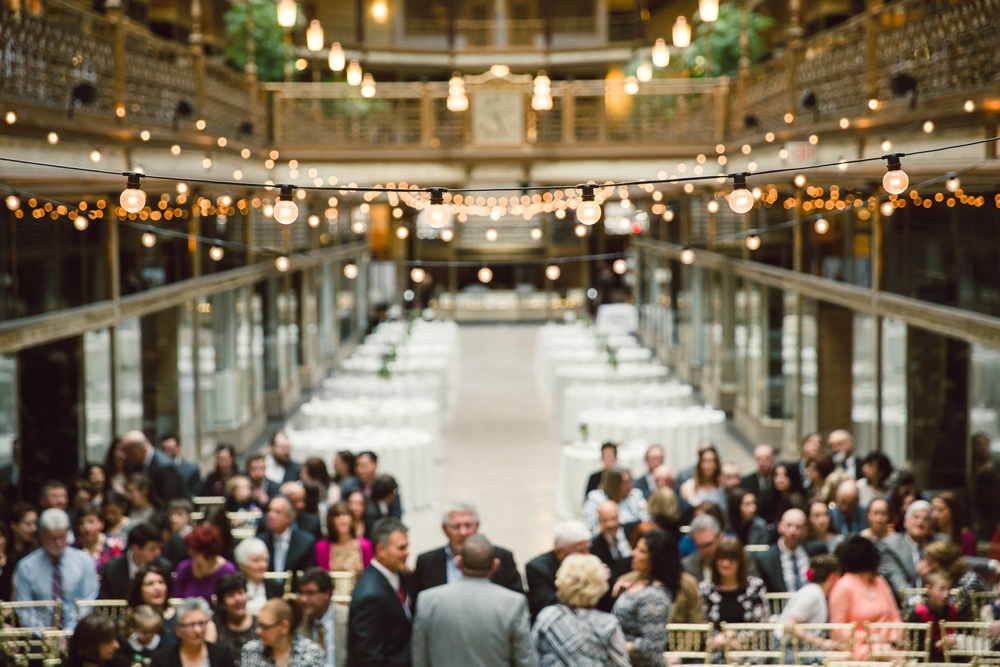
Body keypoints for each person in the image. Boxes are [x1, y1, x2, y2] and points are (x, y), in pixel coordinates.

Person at [412, 535, 536, 667]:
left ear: (459, 562)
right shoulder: (513, 603)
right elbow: (525, 660)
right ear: (495, 565)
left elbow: (419, 657)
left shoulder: (427, 601)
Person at [410, 501, 522, 608]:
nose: (463, 532)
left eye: (468, 525)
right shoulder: (426, 562)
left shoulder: (502, 557)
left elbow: (516, 601)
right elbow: (418, 606)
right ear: (444, 529)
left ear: (477, 526)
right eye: (456, 527)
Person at [533, 553, 630, 667]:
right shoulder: (606, 624)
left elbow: (531, 657)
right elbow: (621, 664)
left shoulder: (547, 616)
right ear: (599, 583)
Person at [13, 508, 98, 630]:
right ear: (41, 536)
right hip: (39, 636)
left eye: (62, 537)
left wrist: (69, 631)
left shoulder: (84, 562)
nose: (58, 543)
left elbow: (88, 601)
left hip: (78, 632)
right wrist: (45, 634)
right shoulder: (26, 567)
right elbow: (24, 608)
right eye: (53, 538)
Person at [347, 517, 412, 667]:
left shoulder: (396, 575)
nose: (407, 552)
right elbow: (369, 657)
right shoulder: (370, 596)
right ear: (381, 550)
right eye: (401, 548)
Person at [828, 535, 902, 660]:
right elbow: (838, 630)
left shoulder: (880, 582)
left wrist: (894, 637)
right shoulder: (843, 586)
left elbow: (894, 616)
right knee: (888, 654)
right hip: (856, 647)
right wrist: (869, 638)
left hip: (888, 643)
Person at [612, 529, 673, 667]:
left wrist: (612, 644)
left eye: (642, 551)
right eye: (635, 549)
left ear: (656, 558)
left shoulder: (654, 597)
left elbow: (650, 646)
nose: (634, 553)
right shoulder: (640, 583)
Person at [698, 536, 767, 647]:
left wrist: (733, 636)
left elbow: (760, 625)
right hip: (716, 647)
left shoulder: (755, 586)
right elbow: (702, 624)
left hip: (749, 648)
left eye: (731, 559)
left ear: (740, 562)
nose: (726, 563)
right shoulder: (705, 589)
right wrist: (720, 639)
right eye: (722, 558)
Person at [777, 554, 842, 662]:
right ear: (833, 576)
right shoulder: (812, 594)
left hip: (800, 648)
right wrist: (821, 642)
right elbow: (789, 625)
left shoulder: (816, 592)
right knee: (841, 660)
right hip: (788, 650)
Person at [526, 520, 592, 624]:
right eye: (581, 551)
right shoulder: (537, 568)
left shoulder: (591, 561)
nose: (587, 555)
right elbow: (548, 607)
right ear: (560, 552)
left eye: (588, 549)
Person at [877, 499, 944, 597]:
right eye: (916, 517)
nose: (920, 522)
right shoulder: (891, 546)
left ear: (931, 526)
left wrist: (929, 576)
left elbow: (948, 577)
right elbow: (898, 583)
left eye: (926, 519)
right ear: (905, 522)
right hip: (906, 607)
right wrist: (918, 606)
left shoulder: (941, 543)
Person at [753, 508, 827, 594]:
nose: (793, 531)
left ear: (805, 531)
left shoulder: (818, 551)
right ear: (780, 527)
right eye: (789, 525)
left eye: (798, 527)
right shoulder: (765, 559)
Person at [153, 597, 238, 667]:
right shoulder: (162, 660)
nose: (197, 630)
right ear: (177, 629)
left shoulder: (223, 655)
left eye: (201, 623)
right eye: (190, 625)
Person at [243, 597, 325, 667]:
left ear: (284, 626)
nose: (258, 631)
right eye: (258, 624)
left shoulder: (312, 653)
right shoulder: (251, 651)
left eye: (265, 627)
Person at [922, 540, 990, 621]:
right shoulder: (949, 579)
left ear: (944, 563)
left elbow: (946, 609)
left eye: (930, 562)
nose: (926, 566)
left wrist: (927, 577)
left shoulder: (969, 581)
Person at [173, 523, 238, 601]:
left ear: (208, 552)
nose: (190, 553)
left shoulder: (228, 570)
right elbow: (176, 601)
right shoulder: (183, 568)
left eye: (195, 550)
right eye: (190, 549)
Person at [589, 500, 633, 612]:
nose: (610, 524)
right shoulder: (594, 546)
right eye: (605, 520)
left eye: (613, 519)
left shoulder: (632, 532)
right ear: (599, 521)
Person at [120, 430, 188, 502]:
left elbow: (170, 499)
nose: (124, 456)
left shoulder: (165, 466)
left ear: (134, 451)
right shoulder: (134, 465)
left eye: (126, 452)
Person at [904, 569, 957, 661]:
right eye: (942, 589)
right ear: (929, 589)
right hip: (926, 660)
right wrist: (938, 643)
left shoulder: (952, 611)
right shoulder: (919, 613)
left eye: (949, 589)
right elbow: (914, 646)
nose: (946, 594)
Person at [259, 495, 317, 574]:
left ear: (290, 517)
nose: (270, 515)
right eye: (269, 510)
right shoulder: (259, 541)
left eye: (278, 512)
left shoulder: (306, 542)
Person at [582, 467, 650, 534]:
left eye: (630, 481)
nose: (630, 485)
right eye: (625, 483)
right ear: (613, 484)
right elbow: (590, 527)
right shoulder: (595, 498)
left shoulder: (635, 494)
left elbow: (646, 519)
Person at [296, 568, 341, 667]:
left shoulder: (347, 618)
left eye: (310, 593)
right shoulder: (298, 622)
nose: (303, 599)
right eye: (302, 593)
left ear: (327, 594)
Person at [234, 537, 283, 615]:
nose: (262, 565)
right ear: (241, 564)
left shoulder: (275, 587)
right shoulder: (234, 587)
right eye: (255, 560)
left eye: (264, 560)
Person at [213, 573, 258, 655]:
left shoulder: (259, 624)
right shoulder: (215, 626)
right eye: (231, 595)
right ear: (221, 603)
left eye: (241, 593)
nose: (238, 599)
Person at [72, 503, 123, 574]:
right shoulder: (72, 548)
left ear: (101, 523)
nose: (86, 527)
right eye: (81, 523)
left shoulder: (114, 544)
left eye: (91, 521)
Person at [0, 503, 37, 601]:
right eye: (28, 524)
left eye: (35, 523)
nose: (33, 528)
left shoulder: (37, 552)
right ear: (14, 525)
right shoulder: (5, 551)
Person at [127, 564, 176, 633]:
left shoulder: (177, 617)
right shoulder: (129, 619)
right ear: (138, 589)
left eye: (161, 582)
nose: (157, 588)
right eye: (150, 584)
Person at [932, 491, 977, 557]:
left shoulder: (967, 538)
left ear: (953, 512)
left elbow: (969, 563)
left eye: (940, 510)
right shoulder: (929, 535)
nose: (934, 515)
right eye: (932, 510)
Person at [682, 514, 721, 583]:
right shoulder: (686, 567)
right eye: (700, 546)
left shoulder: (741, 559)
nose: (706, 550)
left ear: (719, 537)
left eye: (709, 544)